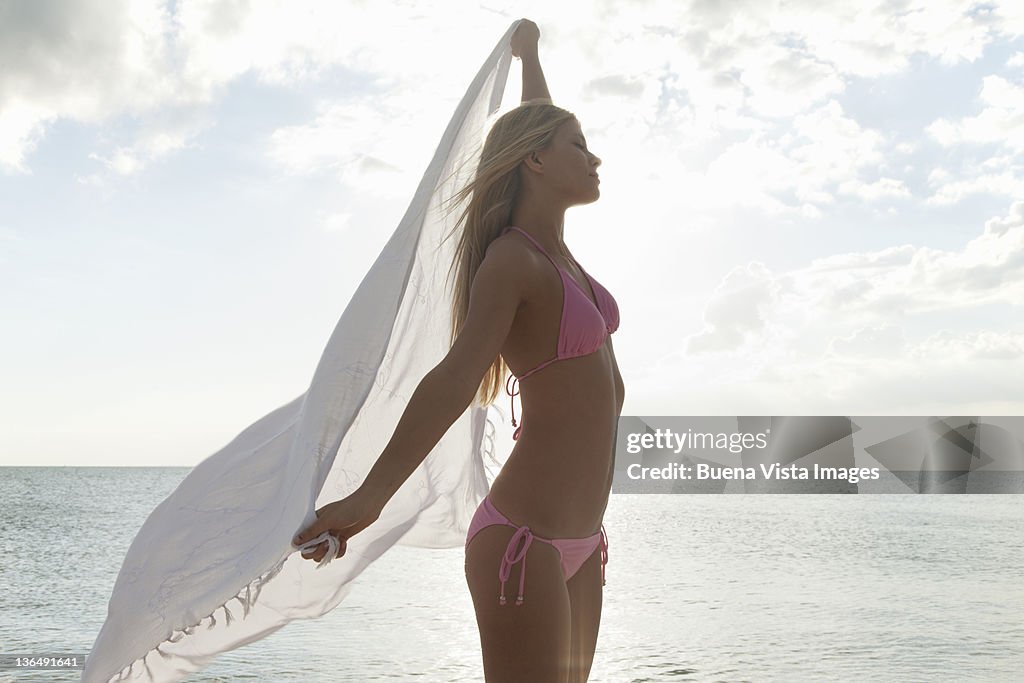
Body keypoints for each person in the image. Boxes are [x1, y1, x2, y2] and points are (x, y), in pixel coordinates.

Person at [292, 19, 623, 682]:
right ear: (535, 161)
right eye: (579, 147)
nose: (595, 159)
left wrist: (529, 56)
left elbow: (539, 125)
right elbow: (452, 381)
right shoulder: (513, 262)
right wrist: (371, 498)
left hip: (584, 543)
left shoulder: (560, 256)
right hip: (522, 543)